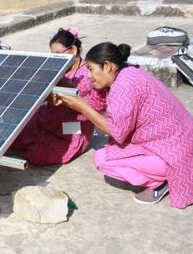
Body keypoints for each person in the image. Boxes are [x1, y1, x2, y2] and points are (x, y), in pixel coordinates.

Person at [55, 42, 193, 208]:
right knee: (112, 150)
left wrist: (82, 107)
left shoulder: (124, 86)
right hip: (175, 142)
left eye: (91, 69)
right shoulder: (127, 72)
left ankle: (164, 181)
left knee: (102, 159)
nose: (89, 75)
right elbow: (92, 97)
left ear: (107, 66)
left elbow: (116, 131)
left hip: (176, 154)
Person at [9, 27, 107, 166]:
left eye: (58, 54)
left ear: (73, 50)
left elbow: (93, 106)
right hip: (49, 118)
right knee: (14, 135)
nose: (55, 58)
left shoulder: (89, 74)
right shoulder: (62, 71)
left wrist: (61, 86)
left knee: (37, 155)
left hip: (74, 127)